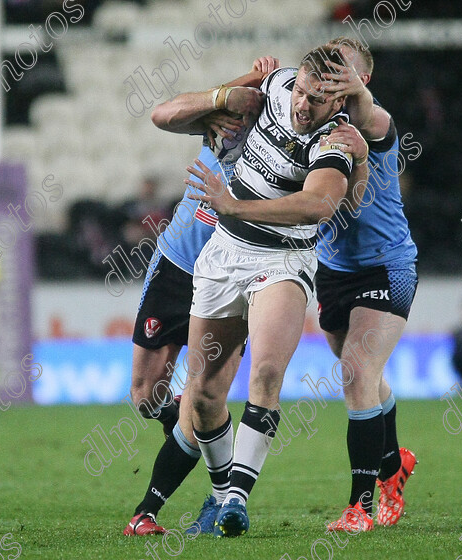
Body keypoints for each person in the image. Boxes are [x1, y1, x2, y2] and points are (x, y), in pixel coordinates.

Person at [178, 45, 369, 537]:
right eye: (301, 93)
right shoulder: (276, 84)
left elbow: (318, 205)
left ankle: (236, 499)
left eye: (317, 100)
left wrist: (233, 206)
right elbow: (167, 116)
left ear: (338, 105)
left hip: (281, 259)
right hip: (224, 254)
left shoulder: (337, 139)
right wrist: (221, 102)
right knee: (202, 396)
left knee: (265, 372)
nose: (303, 105)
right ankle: (220, 494)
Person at [123, 57, 280, 537]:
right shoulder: (230, 118)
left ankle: (156, 509)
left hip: (231, 276)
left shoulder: (286, 152)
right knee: (146, 396)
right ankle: (192, 437)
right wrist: (231, 89)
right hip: (174, 265)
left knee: (203, 396)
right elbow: (164, 113)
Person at [309, 37, 419, 532]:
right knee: (365, 378)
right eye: (328, 67)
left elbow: (369, 112)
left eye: (346, 70)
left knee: (355, 372)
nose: (335, 76)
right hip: (332, 271)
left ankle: (361, 506)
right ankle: (395, 467)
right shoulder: (308, 121)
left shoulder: (374, 122)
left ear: (364, 79)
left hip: (386, 266)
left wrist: (356, 95)